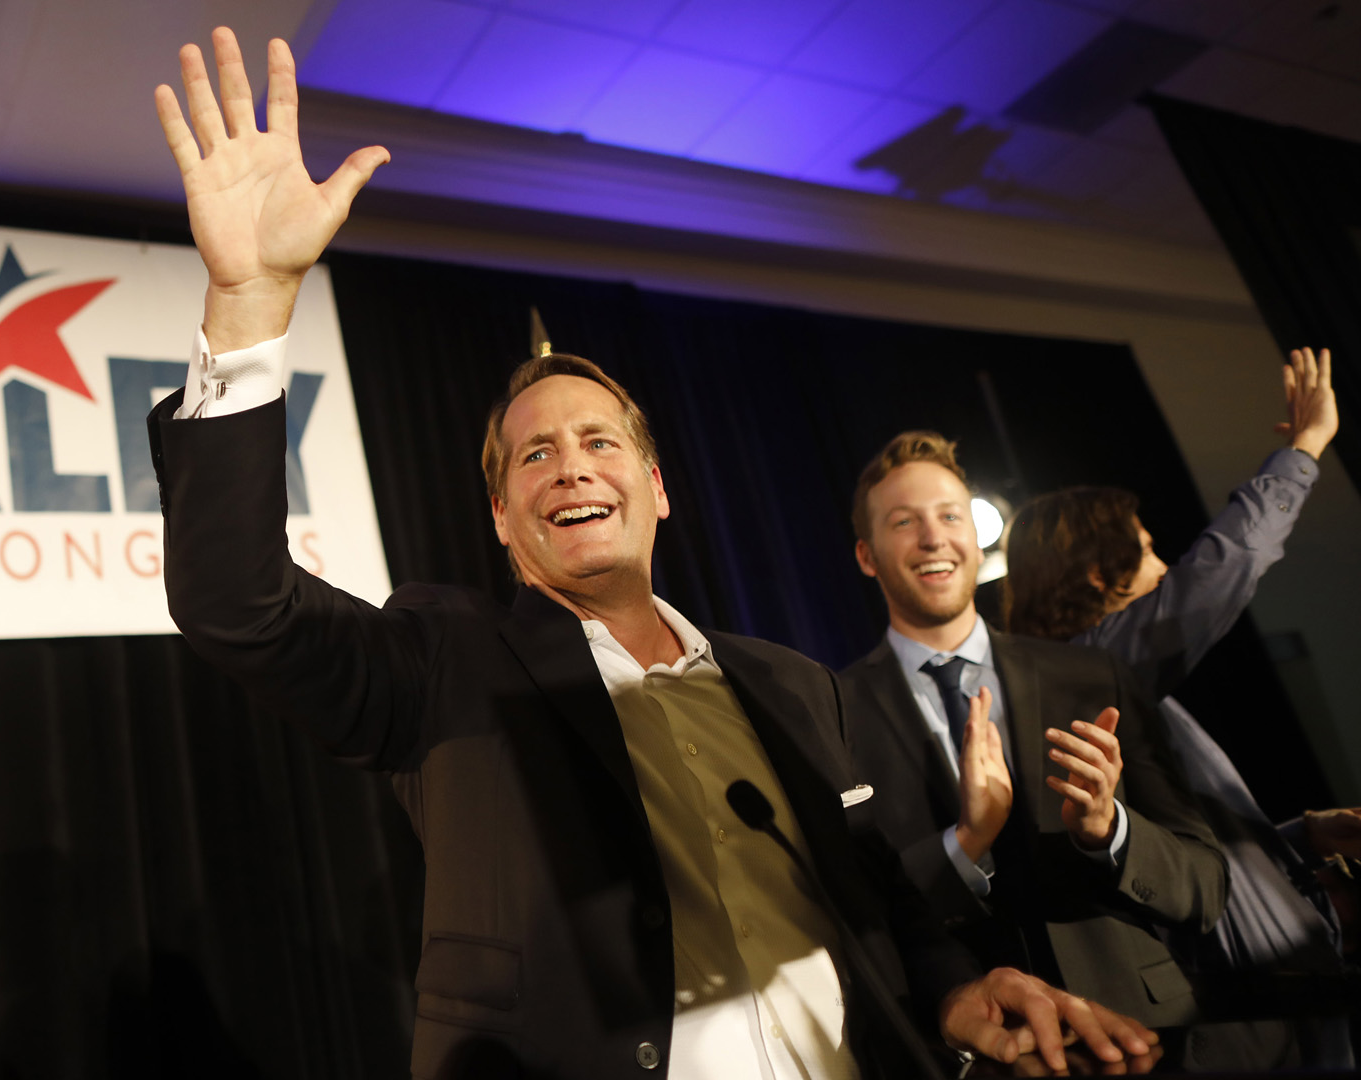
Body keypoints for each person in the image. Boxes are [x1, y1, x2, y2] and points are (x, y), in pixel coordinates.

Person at [148, 27, 1156, 1080]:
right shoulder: (442, 663)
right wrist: (250, 300)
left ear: (658, 489)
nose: (571, 468)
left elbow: (884, 905)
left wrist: (957, 989)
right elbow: (235, 602)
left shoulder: (795, 686)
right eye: (534, 455)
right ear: (502, 518)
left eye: (599, 443)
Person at [1004, 347, 1350, 1064]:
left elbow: (1190, 857)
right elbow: (1221, 572)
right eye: (1150, 550)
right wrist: (1304, 448)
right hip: (1248, 1028)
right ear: (1100, 573)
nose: (1165, 568)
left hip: (1297, 1007)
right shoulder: (1087, 672)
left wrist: (1301, 836)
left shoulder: (1116, 685)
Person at [837, 431, 1227, 1029]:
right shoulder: (835, 710)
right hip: (982, 1052)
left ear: (975, 533)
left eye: (950, 515)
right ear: (866, 556)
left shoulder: (1092, 676)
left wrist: (1109, 831)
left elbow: (1204, 885)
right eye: (903, 522)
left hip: (1147, 1036)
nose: (934, 537)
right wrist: (964, 843)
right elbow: (852, 916)